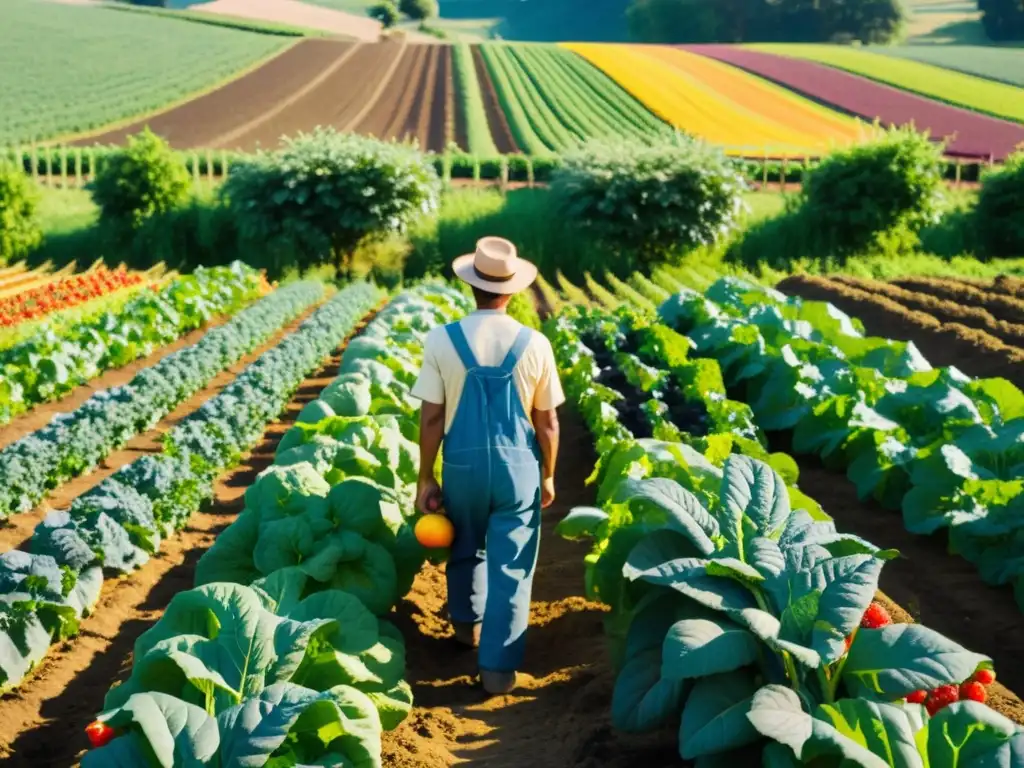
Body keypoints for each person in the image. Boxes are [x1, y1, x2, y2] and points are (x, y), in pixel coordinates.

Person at [412, 236, 565, 695]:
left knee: (465, 545)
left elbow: (433, 416)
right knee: (512, 566)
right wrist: (550, 473)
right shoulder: (535, 343)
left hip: (461, 465)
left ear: (470, 286)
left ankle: (465, 628)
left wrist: (425, 475)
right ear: (512, 290)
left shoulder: (441, 339)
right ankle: (497, 670)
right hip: (519, 469)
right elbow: (550, 422)